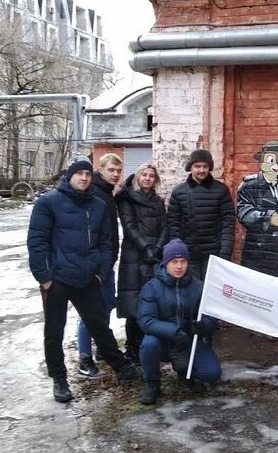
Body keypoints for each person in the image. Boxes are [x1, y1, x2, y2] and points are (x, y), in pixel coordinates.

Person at [27, 158, 138, 403]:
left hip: (87, 277)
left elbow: (105, 242)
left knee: (99, 324)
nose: (84, 178)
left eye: (88, 174)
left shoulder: (97, 205)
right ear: (70, 177)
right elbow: (37, 243)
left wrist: (99, 272)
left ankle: (121, 367)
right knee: (54, 331)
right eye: (79, 174)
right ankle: (59, 379)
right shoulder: (48, 203)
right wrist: (45, 278)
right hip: (57, 279)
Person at [136, 238, 222, 405]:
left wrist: (203, 325)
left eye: (183, 261)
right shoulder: (152, 287)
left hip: (189, 340)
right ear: (165, 263)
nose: (179, 266)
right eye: (174, 261)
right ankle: (152, 384)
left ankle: (185, 374)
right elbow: (146, 320)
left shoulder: (198, 287)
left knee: (212, 374)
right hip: (162, 340)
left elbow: (211, 319)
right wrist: (174, 332)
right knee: (148, 344)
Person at [76, 152, 123, 378]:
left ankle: (102, 345)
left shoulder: (107, 193)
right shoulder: (92, 192)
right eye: (111, 170)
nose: (115, 174)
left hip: (107, 263)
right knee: (90, 312)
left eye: (118, 171)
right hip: (93, 265)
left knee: (106, 306)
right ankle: (85, 358)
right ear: (101, 170)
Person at [116, 163, 167, 365]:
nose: (147, 178)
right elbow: (129, 226)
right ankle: (133, 346)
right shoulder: (127, 199)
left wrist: (158, 248)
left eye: (151, 176)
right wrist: (145, 247)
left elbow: (165, 226)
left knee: (155, 300)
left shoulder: (158, 201)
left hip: (155, 255)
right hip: (134, 255)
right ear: (138, 177)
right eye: (144, 175)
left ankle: (155, 343)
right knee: (134, 302)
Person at [166, 149, 235, 279]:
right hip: (188, 256)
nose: (201, 170)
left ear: (210, 168)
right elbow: (173, 225)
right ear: (190, 167)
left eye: (205, 166)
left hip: (214, 256)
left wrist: (225, 253)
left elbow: (228, 224)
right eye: (197, 166)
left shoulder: (221, 190)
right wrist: (178, 253)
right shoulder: (179, 192)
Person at [237, 139, 278, 278]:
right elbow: (243, 212)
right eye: (271, 159)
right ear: (261, 163)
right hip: (258, 249)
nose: (277, 164)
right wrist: (268, 217)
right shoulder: (249, 184)